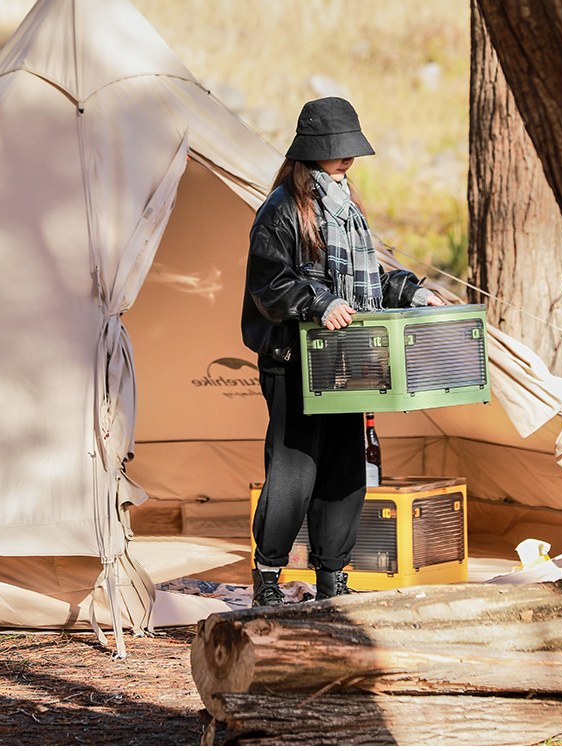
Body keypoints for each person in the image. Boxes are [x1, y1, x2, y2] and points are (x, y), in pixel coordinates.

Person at [241, 96, 444, 607]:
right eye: (338, 148)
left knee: (345, 471)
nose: (348, 157)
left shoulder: (347, 206)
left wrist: (410, 292)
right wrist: (319, 303)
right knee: (294, 472)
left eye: (351, 148)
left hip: (346, 361)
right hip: (293, 362)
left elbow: (365, 280)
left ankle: (332, 580)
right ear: (311, 151)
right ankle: (268, 581)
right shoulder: (281, 209)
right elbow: (269, 286)